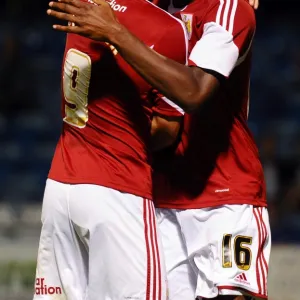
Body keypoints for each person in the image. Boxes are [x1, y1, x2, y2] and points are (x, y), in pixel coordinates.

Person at [47, 0, 270, 300]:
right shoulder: (148, 9)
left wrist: (116, 32)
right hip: (160, 198)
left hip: (224, 198)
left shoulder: (228, 8)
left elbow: (195, 91)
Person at [34, 1, 188, 299]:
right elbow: (167, 131)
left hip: (60, 187)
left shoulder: (82, 6)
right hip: (118, 189)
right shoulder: (168, 29)